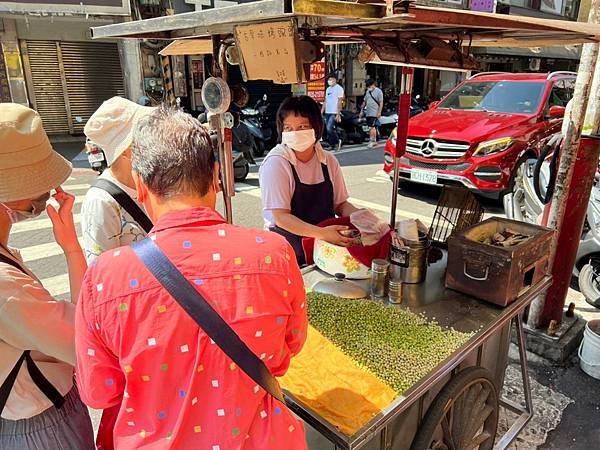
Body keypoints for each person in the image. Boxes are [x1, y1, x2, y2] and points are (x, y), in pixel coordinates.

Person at [75, 106, 308, 450]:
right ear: (215, 176)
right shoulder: (274, 253)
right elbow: (291, 346)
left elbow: (98, 391)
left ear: (139, 184)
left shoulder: (104, 279)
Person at [0, 103, 94, 449]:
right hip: (43, 427)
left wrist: (70, 245)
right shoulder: (5, 286)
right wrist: (72, 250)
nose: (49, 188)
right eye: (38, 181)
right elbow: (83, 341)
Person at [259, 96, 360, 266]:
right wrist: (322, 233)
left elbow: (340, 205)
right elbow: (281, 217)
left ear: (316, 128)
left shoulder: (328, 161)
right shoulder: (276, 163)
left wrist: (363, 219)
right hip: (287, 249)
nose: (294, 133)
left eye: (302, 127)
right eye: (288, 128)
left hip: (323, 248)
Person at [81, 96, 155, 263]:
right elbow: (101, 271)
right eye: (145, 134)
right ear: (125, 150)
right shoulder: (100, 202)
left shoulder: (152, 181)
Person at [321, 74, 345, 151]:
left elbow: (339, 101)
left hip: (334, 112)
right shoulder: (328, 89)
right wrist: (322, 111)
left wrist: (338, 113)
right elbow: (325, 101)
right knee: (328, 128)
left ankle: (337, 141)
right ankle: (332, 144)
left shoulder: (339, 89)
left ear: (335, 80)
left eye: (331, 79)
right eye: (329, 79)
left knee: (329, 128)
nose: (329, 81)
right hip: (327, 111)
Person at [361, 79, 384, 148]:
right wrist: (361, 110)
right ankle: (374, 140)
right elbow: (365, 101)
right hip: (368, 112)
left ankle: (372, 141)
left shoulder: (378, 91)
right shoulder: (368, 92)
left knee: (372, 127)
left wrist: (379, 112)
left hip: (374, 112)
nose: (369, 87)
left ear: (373, 84)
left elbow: (381, 102)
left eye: (370, 85)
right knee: (371, 127)